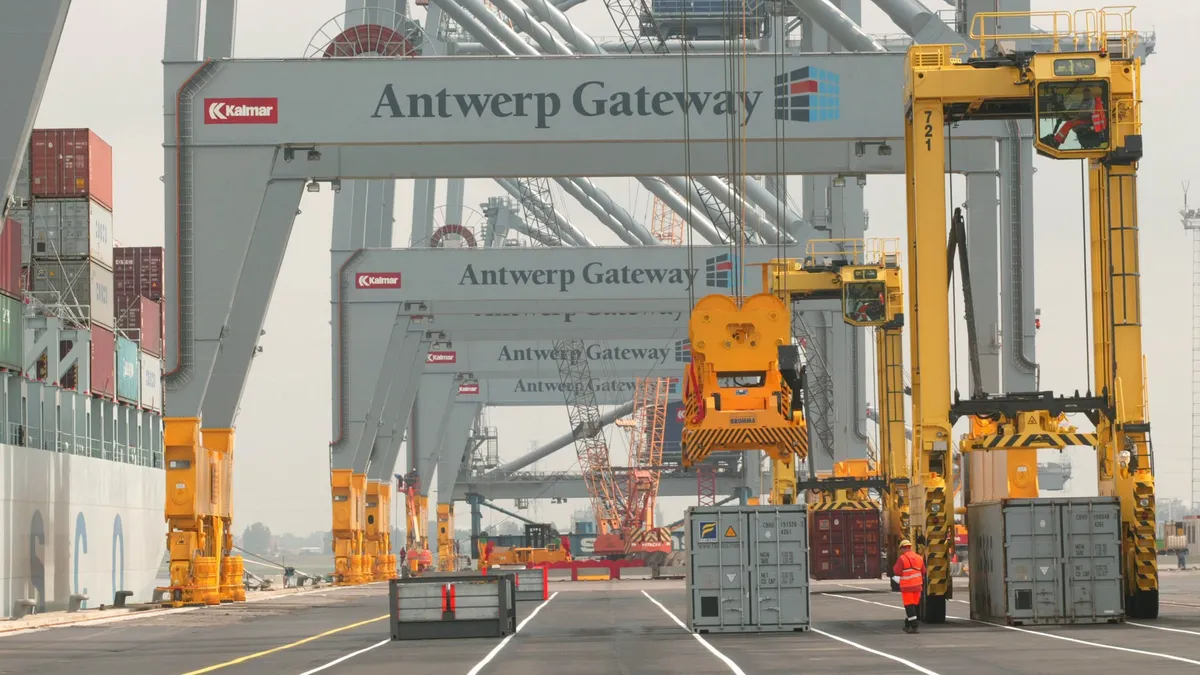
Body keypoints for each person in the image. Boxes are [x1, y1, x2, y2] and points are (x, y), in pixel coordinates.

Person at [1041, 86, 1107, 149]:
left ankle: (1056, 142)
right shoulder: (1084, 101)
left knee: (1069, 123)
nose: (1085, 94)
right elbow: (1079, 112)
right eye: (1084, 92)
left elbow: (1088, 113)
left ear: (1089, 93)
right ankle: (1057, 141)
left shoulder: (1091, 101)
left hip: (1087, 121)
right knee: (1069, 123)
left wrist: (1076, 118)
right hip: (1082, 120)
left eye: (1086, 92)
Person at [892, 539, 926, 634]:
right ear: (910, 547)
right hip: (918, 586)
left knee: (909, 607)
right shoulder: (919, 558)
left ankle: (914, 627)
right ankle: (907, 624)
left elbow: (897, 572)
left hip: (907, 587)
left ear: (902, 548)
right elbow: (923, 571)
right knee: (913, 607)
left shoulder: (902, 558)